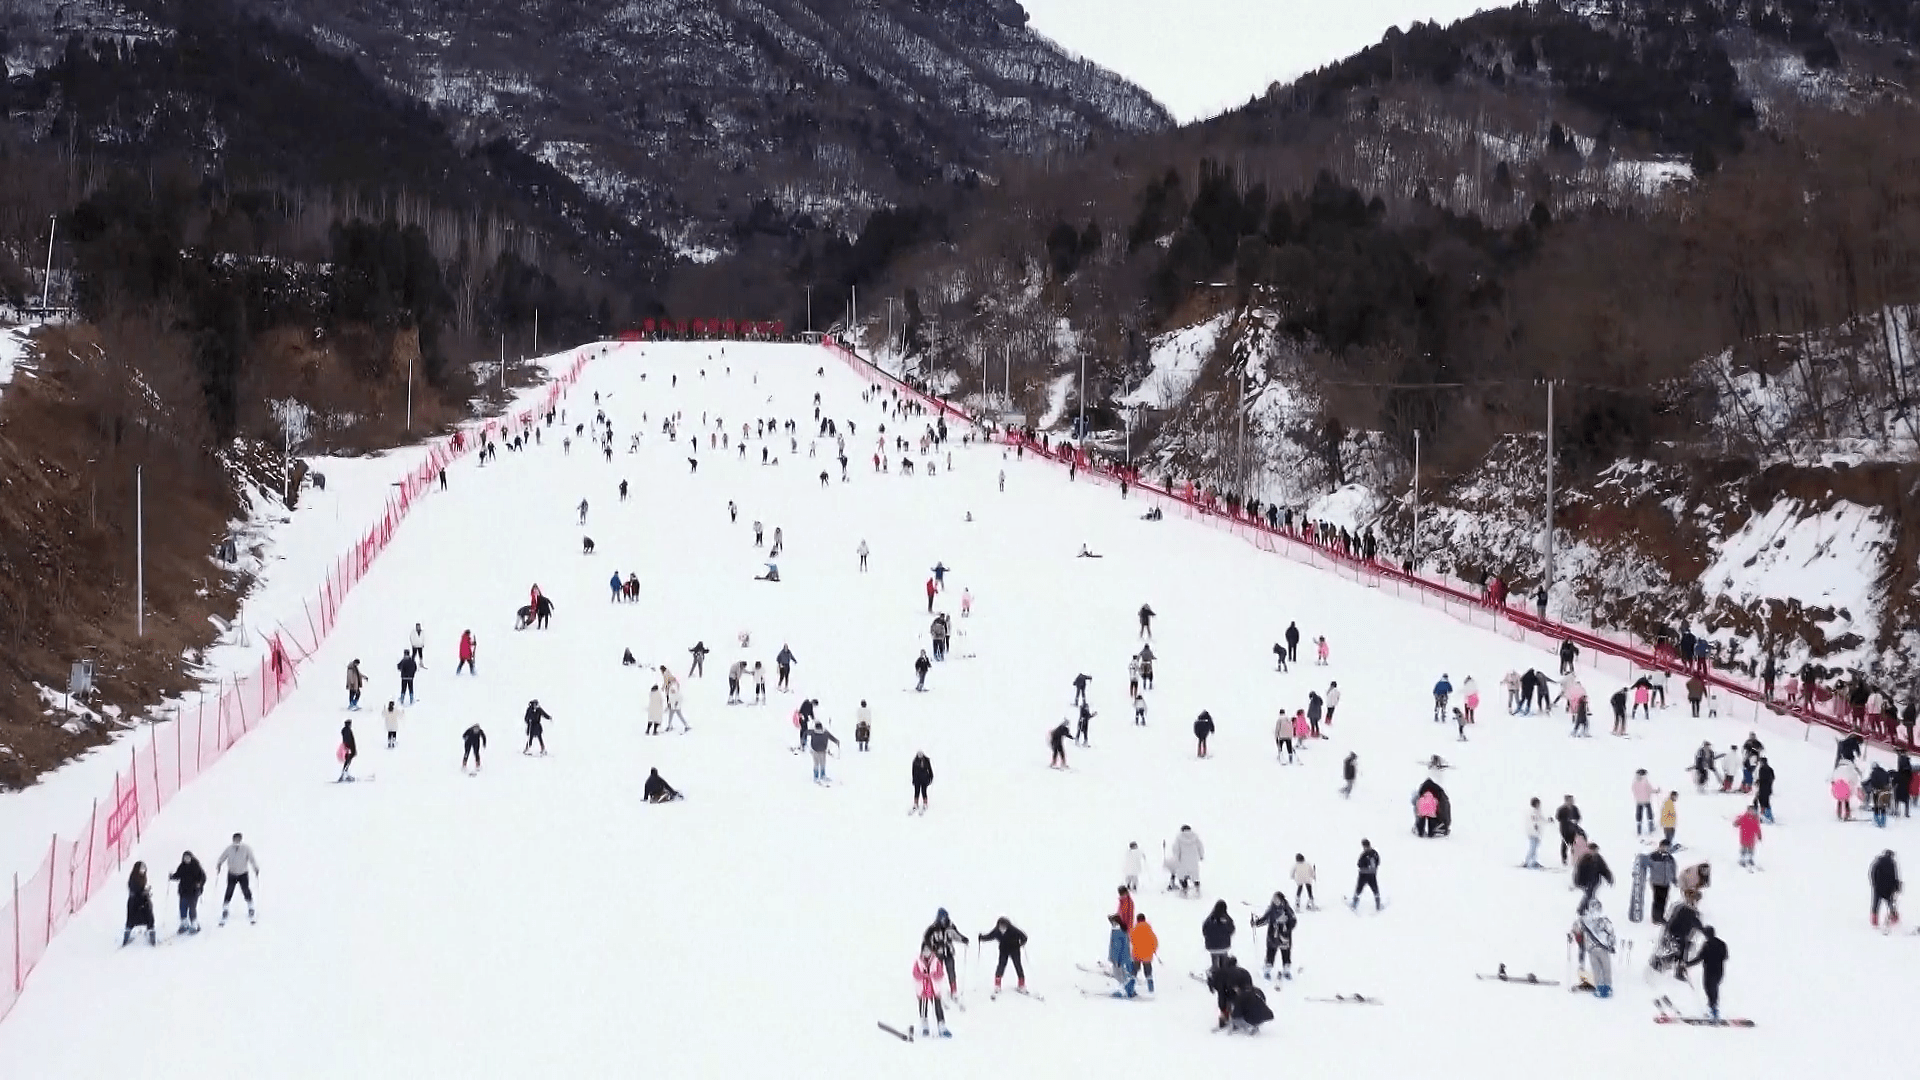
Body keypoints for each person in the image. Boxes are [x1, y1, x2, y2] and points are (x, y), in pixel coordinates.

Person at [921, 909, 969, 998]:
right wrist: (928, 949)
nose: (943, 920)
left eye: (945, 918)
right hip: (938, 954)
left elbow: (956, 935)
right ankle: (936, 990)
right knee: (938, 973)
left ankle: (953, 991)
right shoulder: (932, 929)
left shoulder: (951, 927)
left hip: (949, 952)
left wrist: (963, 939)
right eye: (942, 918)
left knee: (951, 972)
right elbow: (926, 940)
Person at [1574, 900, 1616, 997]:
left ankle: (1603, 987)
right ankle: (1603, 987)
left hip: (1596, 948)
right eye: (1593, 907)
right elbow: (1611, 933)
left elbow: (1577, 927)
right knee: (1601, 968)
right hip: (1597, 949)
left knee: (1601, 968)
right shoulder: (1598, 920)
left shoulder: (1592, 920)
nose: (1594, 909)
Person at [1250, 892, 1297, 980]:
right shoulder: (1271, 910)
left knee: (1286, 954)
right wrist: (1256, 923)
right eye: (1274, 899)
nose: (1275, 901)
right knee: (1270, 954)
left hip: (1284, 937)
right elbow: (1265, 919)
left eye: (1277, 899)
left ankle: (1286, 970)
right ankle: (1267, 970)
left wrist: (1286, 925)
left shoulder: (1287, 909)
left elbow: (1293, 921)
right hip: (1272, 936)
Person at [979, 917, 1029, 995]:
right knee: (1001, 966)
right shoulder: (997, 931)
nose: (1002, 928)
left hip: (1014, 950)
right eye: (1000, 926)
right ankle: (997, 985)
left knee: (1018, 966)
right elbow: (990, 936)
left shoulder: (1013, 930)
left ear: (1007, 925)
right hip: (1003, 951)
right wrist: (982, 938)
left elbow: (1024, 937)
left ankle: (1021, 985)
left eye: (1004, 926)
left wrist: (1020, 944)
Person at [216, 832, 258, 924]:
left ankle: (251, 907)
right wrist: (219, 864)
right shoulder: (229, 849)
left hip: (243, 873)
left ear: (241, 839)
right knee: (229, 890)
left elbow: (252, 859)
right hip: (232, 873)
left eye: (238, 839)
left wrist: (255, 868)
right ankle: (225, 909)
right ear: (233, 840)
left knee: (246, 890)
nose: (237, 841)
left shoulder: (246, 848)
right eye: (235, 839)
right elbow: (222, 857)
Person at [1687, 927, 1729, 1020]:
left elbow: (1699, 958)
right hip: (1719, 971)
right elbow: (1725, 956)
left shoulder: (1707, 945)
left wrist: (1687, 964)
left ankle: (1713, 1012)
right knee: (1714, 989)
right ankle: (1713, 1009)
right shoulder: (1722, 944)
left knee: (1709, 989)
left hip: (1709, 971)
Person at [912, 944, 951, 1038]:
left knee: (938, 1007)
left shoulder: (936, 961)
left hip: (934, 988)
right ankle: (924, 1026)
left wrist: (933, 975)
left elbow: (940, 974)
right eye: (924, 950)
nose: (926, 953)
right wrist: (923, 976)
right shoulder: (918, 961)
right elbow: (915, 974)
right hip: (922, 989)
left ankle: (942, 1026)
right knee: (923, 1008)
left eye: (928, 950)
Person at [167, 852, 207, 934]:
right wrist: (172, 877)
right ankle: (184, 924)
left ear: (191, 858)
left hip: (193, 892)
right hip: (183, 891)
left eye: (188, 858)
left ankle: (194, 924)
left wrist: (199, 883)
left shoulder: (196, 866)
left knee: (192, 908)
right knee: (182, 907)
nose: (186, 859)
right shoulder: (182, 867)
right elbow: (178, 875)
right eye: (185, 858)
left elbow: (203, 877)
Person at [123, 861, 156, 947]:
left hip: (141, 900)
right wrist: (144, 892)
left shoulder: (142, 877)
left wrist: (145, 891)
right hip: (135, 902)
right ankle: (127, 935)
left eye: (144, 869)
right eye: (141, 868)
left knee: (148, 916)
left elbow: (141, 889)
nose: (143, 870)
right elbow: (135, 889)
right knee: (133, 918)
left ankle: (151, 932)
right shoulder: (134, 878)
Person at [1575, 842, 1613, 910]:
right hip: (1586, 882)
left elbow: (1604, 869)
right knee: (1589, 895)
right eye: (1593, 850)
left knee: (1591, 895)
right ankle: (1582, 910)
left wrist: (1609, 878)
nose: (1594, 852)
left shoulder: (1598, 859)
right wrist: (1578, 882)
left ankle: (1589, 908)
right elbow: (1579, 872)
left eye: (1596, 851)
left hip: (1595, 881)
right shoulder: (1584, 859)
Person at [1168, 826, 1205, 894]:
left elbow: (1175, 850)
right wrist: (1201, 856)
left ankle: (1185, 889)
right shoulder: (1195, 837)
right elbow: (1201, 847)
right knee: (1195, 876)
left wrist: (1176, 858)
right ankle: (1197, 889)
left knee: (1182, 876)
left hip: (1183, 862)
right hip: (1193, 862)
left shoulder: (1179, 838)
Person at [1648, 840, 1678, 923]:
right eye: (1664, 846)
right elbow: (1646, 865)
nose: (1665, 848)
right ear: (1660, 846)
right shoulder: (1653, 856)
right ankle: (1655, 917)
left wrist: (1674, 879)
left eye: (1667, 847)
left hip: (1666, 883)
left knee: (1664, 900)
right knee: (1657, 899)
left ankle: (1661, 916)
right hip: (1656, 882)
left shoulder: (1670, 858)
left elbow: (1673, 869)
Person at [1871, 849, 1901, 927]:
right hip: (1888, 888)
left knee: (1876, 904)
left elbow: (1872, 873)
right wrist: (1896, 886)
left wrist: (1875, 884)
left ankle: (1874, 921)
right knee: (1891, 904)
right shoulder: (1892, 863)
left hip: (1878, 888)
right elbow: (1894, 876)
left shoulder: (1878, 862)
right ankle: (1894, 920)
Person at [1350, 839, 1381, 910]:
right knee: (1375, 890)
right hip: (1372, 875)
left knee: (1358, 890)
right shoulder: (1374, 853)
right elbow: (1378, 862)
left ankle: (1354, 905)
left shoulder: (1364, 855)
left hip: (1363, 875)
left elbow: (1359, 864)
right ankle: (1378, 906)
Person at [1554, 795, 1582, 865]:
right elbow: (1558, 817)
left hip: (1573, 828)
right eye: (1570, 800)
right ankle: (1564, 859)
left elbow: (1578, 817)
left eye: (1572, 800)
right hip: (1564, 828)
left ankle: (1575, 859)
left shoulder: (1575, 808)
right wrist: (1566, 820)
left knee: (1574, 843)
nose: (1571, 802)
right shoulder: (1561, 809)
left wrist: (1575, 820)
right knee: (1565, 843)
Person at [1523, 797, 1546, 868]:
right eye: (1538, 803)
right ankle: (1527, 862)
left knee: (1535, 848)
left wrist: (1548, 820)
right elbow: (1533, 820)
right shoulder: (1532, 811)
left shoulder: (1538, 811)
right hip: (1532, 833)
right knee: (1532, 848)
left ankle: (1534, 861)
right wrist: (1535, 825)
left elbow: (1542, 819)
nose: (1539, 805)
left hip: (1537, 833)